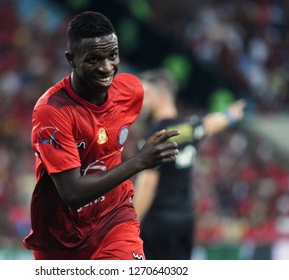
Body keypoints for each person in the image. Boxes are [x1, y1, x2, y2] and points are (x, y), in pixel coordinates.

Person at [22, 11, 179, 260]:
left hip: (114, 220)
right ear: (71, 59)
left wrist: (198, 126)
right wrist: (140, 161)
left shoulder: (129, 90)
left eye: (112, 56)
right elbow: (72, 193)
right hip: (60, 242)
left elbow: (160, 94)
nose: (107, 67)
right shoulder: (52, 112)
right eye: (94, 59)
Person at [133, 68, 246, 260]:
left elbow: (147, 188)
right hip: (185, 219)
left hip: (158, 222)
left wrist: (130, 225)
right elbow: (210, 124)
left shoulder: (154, 136)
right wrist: (230, 115)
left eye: (146, 93)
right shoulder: (188, 127)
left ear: (159, 95)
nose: (141, 99)